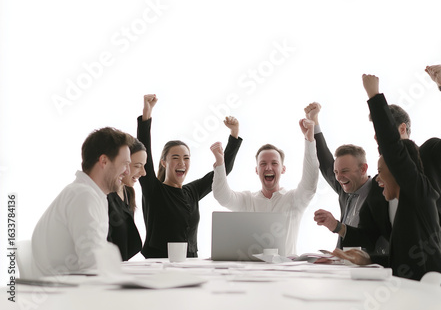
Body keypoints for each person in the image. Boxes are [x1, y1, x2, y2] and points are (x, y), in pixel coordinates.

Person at [324, 74, 441, 286]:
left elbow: (393, 150)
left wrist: (374, 95)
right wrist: (369, 258)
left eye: (381, 171)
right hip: (409, 288)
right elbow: (400, 260)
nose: (378, 180)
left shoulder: (420, 195)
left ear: (399, 172)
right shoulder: (405, 207)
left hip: (426, 295)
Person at [137, 94, 242, 258]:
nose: (182, 163)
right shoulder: (154, 190)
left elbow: (222, 173)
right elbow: (144, 154)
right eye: (176, 158)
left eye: (186, 158)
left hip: (190, 263)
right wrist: (146, 115)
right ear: (164, 162)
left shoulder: (191, 191)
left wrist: (234, 134)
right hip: (158, 265)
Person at [383, 65, 441, 256]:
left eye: (384, 132)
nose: (377, 138)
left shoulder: (428, 154)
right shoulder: (384, 171)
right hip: (403, 256)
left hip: (439, 246)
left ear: (402, 129)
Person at [32, 127, 134, 277]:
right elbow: (93, 266)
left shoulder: (90, 195)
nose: (128, 172)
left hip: (69, 289)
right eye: (125, 164)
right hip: (66, 293)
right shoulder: (83, 196)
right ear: (104, 161)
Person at [210, 118, 319, 256]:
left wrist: (309, 140)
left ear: (283, 169)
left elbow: (310, 184)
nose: (268, 167)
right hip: (253, 272)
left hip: (286, 271)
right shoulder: (247, 200)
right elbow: (222, 196)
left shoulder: (293, 200)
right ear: (256, 170)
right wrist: (220, 163)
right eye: (263, 164)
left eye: (274, 163)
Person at [305, 103, 391, 255]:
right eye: (336, 171)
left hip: (370, 267)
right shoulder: (345, 188)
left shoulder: (381, 189)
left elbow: (372, 237)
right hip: (343, 263)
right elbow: (325, 162)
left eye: (344, 171)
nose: (338, 177)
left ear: (363, 169)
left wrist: (336, 226)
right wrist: (314, 122)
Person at [107, 138, 146, 261]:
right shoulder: (104, 195)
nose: (144, 172)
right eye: (137, 166)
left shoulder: (128, 193)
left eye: (144, 166)